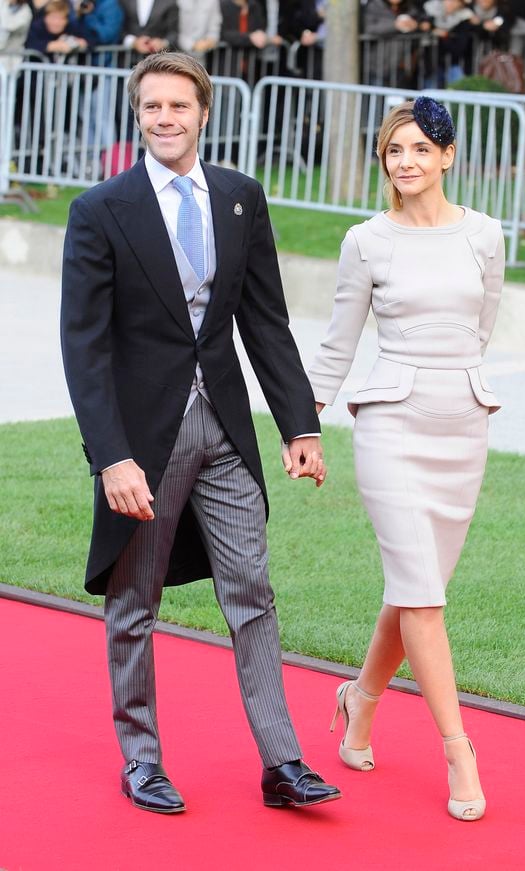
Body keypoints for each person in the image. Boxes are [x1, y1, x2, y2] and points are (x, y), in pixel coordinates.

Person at [60, 50, 341, 815]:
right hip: (143, 444)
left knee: (253, 591)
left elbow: (266, 321)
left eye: (177, 106)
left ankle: (282, 761)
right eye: (151, 106)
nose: (164, 118)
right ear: (137, 113)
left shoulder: (240, 198)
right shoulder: (100, 210)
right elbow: (84, 347)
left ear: (203, 112)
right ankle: (142, 759)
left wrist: (299, 423)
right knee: (135, 601)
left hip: (226, 429)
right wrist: (110, 455)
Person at [307, 97, 504, 822]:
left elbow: (481, 326)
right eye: (395, 151)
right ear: (383, 162)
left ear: (448, 156)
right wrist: (306, 421)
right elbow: (337, 341)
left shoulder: (486, 235)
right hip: (390, 424)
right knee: (423, 596)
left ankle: (357, 701)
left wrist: (456, 386)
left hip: (462, 425)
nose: (408, 162)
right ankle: (459, 748)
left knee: (414, 587)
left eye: (421, 149)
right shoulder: (367, 241)